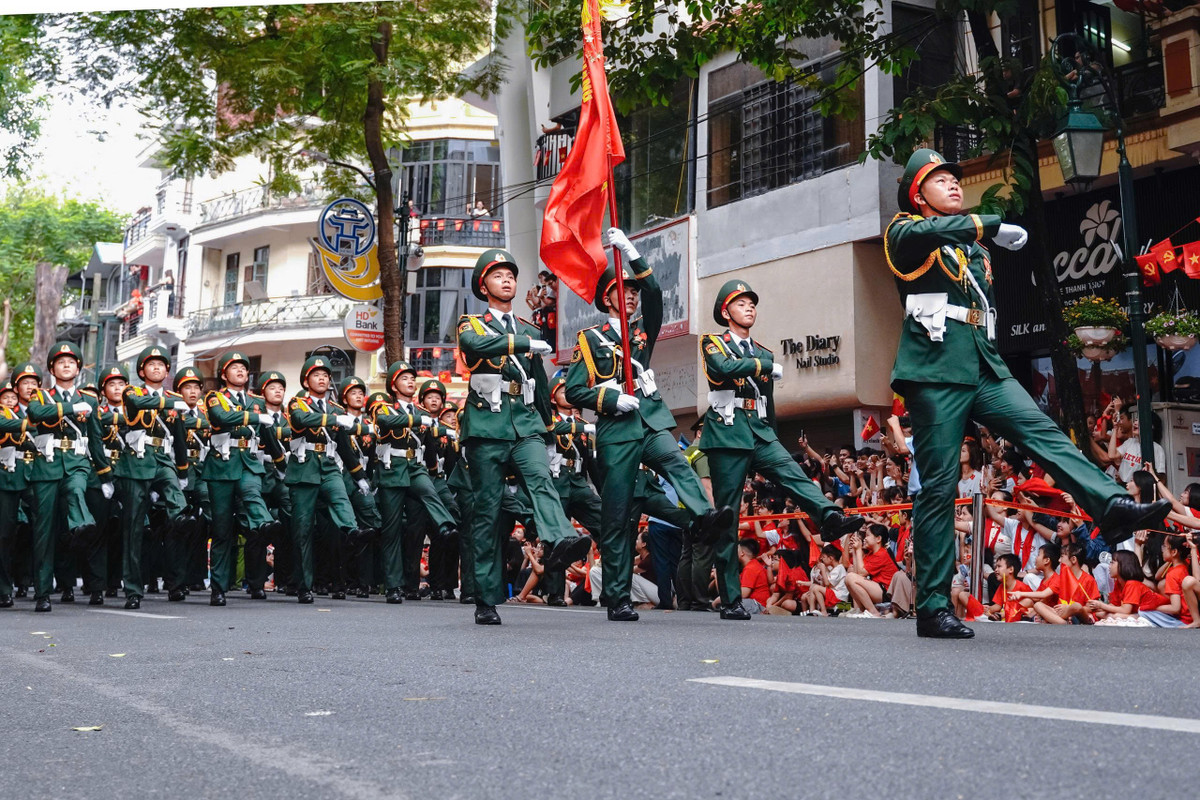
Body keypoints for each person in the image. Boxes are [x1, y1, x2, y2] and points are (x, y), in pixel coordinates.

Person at [885, 148, 1169, 638]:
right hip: (935, 370)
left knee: (1045, 431)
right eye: (939, 179)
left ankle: (1111, 504)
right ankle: (932, 607)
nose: (953, 184)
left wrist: (983, 236)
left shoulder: (972, 247)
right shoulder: (905, 232)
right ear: (917, 194)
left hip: (982, 362)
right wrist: (988, 224)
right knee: (937, 487)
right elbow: (929, 235)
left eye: (956, 178)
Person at [565, 227, 731, 622]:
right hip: (617, 433)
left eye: (633, 292)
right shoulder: (590, 340)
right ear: (608, 299)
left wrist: (632, 253)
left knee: (676, 461)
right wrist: (607, 397)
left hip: (650, 421)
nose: (633, 296)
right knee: (618, 518)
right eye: (624, 292)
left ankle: (703, 514)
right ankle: (618, 597)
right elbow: (574, 391)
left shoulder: (642, 332)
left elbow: (656, 293)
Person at [699, 279, 863, 620]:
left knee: (794, 473)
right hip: (727, 432)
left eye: (752, 303)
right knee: (728, 517)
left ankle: (829, 516)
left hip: (758, 429)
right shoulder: (714, 342)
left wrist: (772, 435)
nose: (749, 308)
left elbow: (767, 401)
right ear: (725, 311)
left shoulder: (764, 351)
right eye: (741, 303)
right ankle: (730, 600)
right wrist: (760, 366)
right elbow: (722, 369)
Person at [456, 248, 591, 625]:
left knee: (541, 479)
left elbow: (541, 384)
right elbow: (474, 348)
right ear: (484, 285)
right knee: (487, 512)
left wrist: (549, 432)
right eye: (498, 275)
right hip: (487, 427)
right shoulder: (472, 323)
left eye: (511, 274)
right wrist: (521, 344)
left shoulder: (530, 329)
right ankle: (486, 597)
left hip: (527, 422)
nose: (507, 280)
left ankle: (560, 538)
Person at [25, 342, 114, 612]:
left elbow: (96, 439)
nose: (66, 365)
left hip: (77, 463)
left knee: (77, 490)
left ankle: (83, 526)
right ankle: (43, 593)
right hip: (47, 467)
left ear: (78, 368)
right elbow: (35, 415)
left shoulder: (89, 399)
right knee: (44, 533)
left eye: (72, 361)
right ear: (52, 368)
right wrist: (69, 410)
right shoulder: (41, 396)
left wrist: (106, 474)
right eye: (61, 361)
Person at [369, 361, 458, 605]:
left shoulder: (420, 413)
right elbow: (386, 423)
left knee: (430, 491)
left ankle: (445, 526)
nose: (410, 382)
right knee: (392, 531)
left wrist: (434, 468)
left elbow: (429, 447)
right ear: (394, 386)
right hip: (392, 469)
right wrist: (419, 422)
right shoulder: (384, 407)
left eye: (412, 378)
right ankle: (394, 586)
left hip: (416, 468)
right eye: (404, 378)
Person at [285, 355, 370, 604]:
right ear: (306, 380)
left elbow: (344, 447)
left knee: (340, 496)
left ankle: (351, 531)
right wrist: (332, 420)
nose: (322, 379)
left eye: (325, 375)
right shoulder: (297, 403)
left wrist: (359, 476)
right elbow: (301, 421)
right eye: (316, 375)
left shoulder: (336, 409)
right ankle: (304, 585)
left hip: (329, 465)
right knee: (302, 531)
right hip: (304, 468)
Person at [203, 351, 282, 606]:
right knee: (222, 530)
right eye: (234, 368)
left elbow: (268, 435)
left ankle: (266, 523)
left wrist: (280, 462)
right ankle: (218, 588)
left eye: (243, 368)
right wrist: (255, 417)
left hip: (248, 462)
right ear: (224, 374)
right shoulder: (215, 398)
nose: (240, 371)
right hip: (221, 465)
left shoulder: (256, 400)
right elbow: (221, 418)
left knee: (251, 491)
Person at [988, 553, 1031, 622]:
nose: (996, 570)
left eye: (999, 566)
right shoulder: (1002, 586)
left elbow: (1031, 604)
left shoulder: (1022, 587)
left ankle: (1001, 615)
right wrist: (987, 609)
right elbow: (997, 606)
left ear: (1011, 569)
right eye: (996, 567)